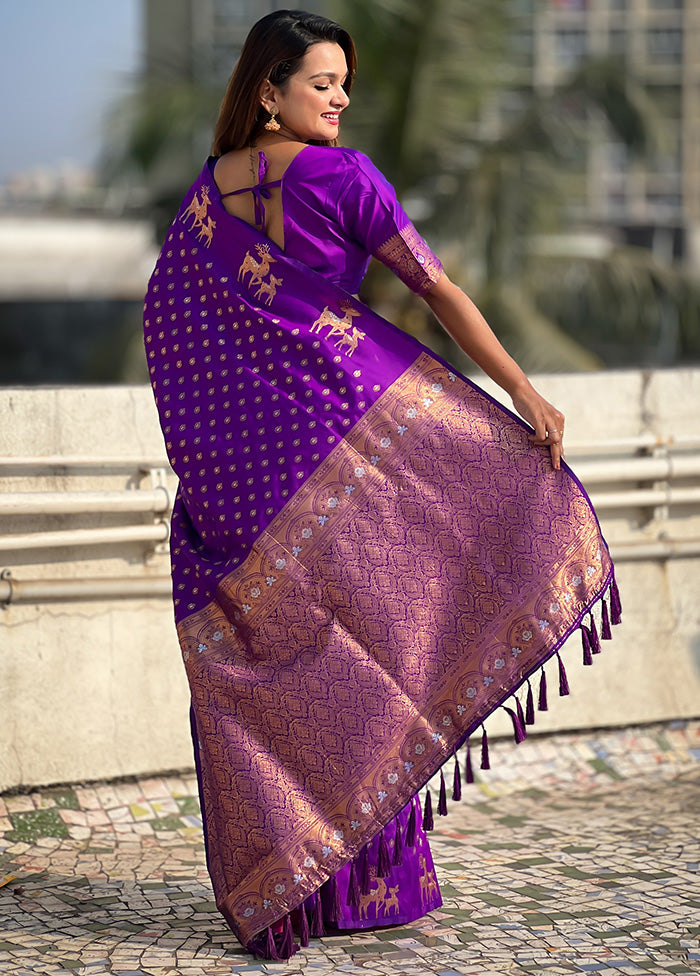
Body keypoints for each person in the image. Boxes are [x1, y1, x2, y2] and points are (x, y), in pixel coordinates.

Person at [143, 9, 621, 961]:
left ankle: (300, 886)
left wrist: (215, 466)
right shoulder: (345, 177)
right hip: (349, 455)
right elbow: (436, 289)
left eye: (344, 84)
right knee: (377, 644)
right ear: (268, 89)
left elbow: (170, 331)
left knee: (309, 663)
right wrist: (519, 390)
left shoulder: (210, 195)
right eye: (322, 82)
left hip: (250, 481)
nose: (341, 99)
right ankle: (364, 883)